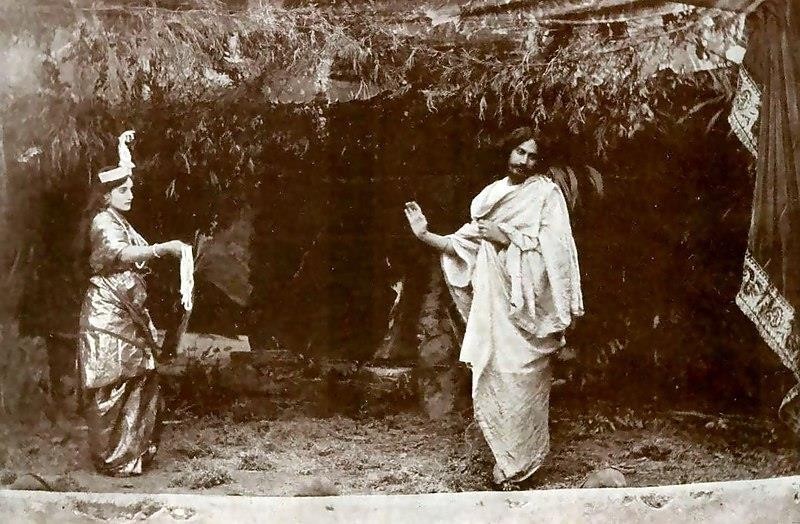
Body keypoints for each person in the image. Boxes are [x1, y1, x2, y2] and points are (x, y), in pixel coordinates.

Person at [403, 127, 583, 488]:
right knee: (494, 375)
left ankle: (523, 465)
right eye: (520, 152)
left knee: (525, 379)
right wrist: (424, 235)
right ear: (508, 152)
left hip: (528, 309)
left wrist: (510, 240)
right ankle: (504, 461)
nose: (525, 162)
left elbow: (558, 253)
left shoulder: (546, 195)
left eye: (533, 156)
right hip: (495, 308)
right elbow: (463, 244)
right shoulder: (490, 197)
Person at [77, 130, 187, 476]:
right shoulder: (102, 222)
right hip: (108, 313)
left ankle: (134, 453)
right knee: (113, 377)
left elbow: (125, 173)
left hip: (128, 311)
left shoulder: (116, 217)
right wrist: (163, 248)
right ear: (105, 196)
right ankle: (114, 457)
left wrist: (123, 150)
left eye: (131, 188)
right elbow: (123, 253)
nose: (130, 193)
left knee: (140, 375)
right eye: (122, 190)